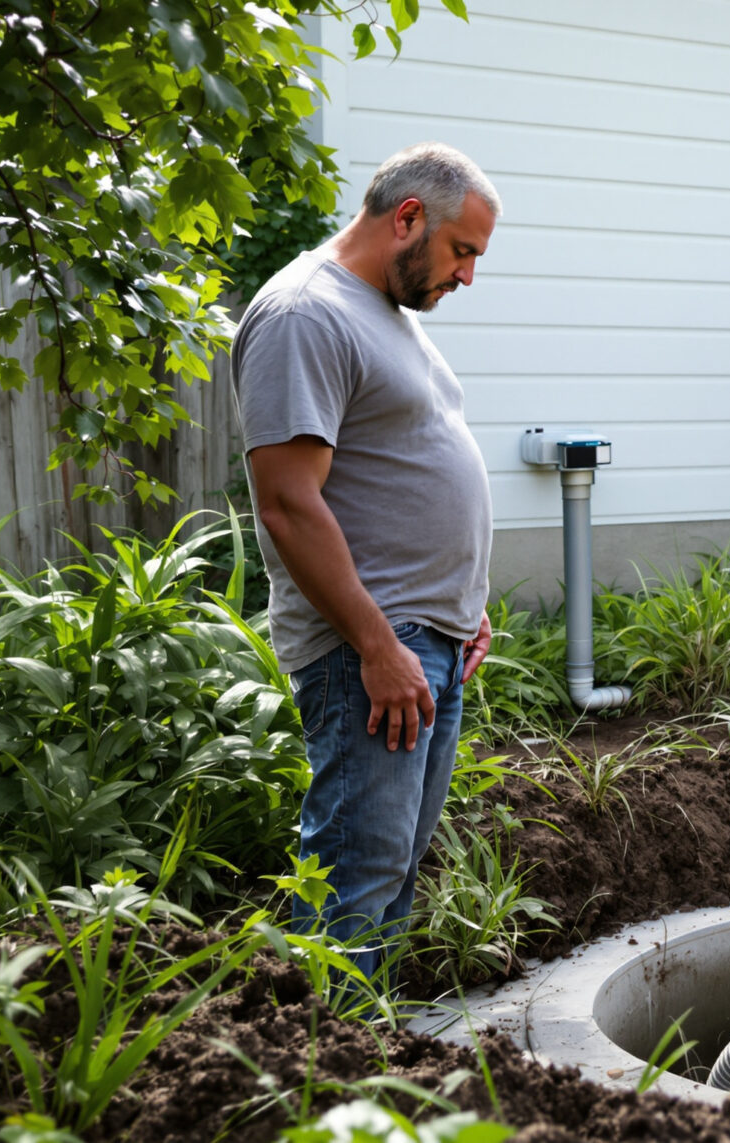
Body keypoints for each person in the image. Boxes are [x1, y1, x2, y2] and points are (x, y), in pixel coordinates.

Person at [233, 142, 501, 982]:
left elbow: (397, 460)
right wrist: (380, 646)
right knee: (357, 873)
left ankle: (367, 1061)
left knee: (392, 878)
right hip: (370, 651)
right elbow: (286, 502)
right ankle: (324, 1073)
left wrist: (462, 601)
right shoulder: (305, 314)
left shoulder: (385, 312)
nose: (466, 278)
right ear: (408, 218)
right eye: (463, 251)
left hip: (429, 641)